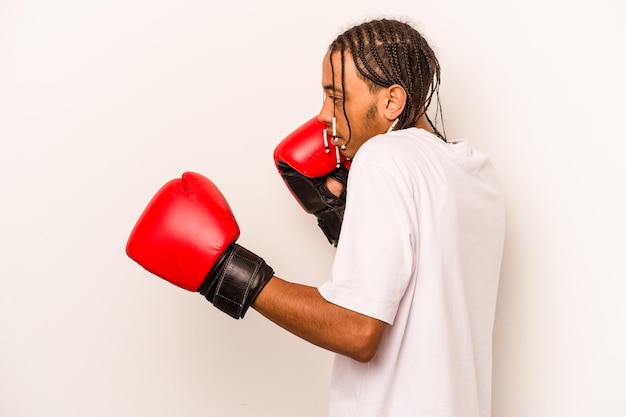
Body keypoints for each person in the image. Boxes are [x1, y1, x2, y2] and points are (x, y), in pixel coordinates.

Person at [127, 18, 505, 417]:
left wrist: (228, 272)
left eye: (336, 97)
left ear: (392, 101)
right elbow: (424, 282)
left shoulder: (383, 158)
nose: (324, 115)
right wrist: (342, 216)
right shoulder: (475, 174)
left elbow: (358, 330)